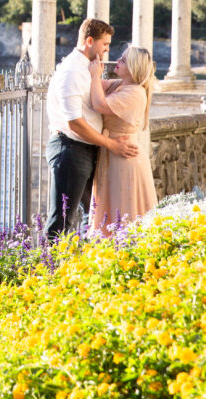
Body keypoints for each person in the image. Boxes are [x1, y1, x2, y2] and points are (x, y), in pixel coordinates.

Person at [45, 18, 139, 238]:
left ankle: (85, 268)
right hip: (70, 149)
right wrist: (111, 145)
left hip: (85, 149)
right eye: (104, 45)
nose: (107, 50)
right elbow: (74, 122)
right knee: (62, 218)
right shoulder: (72, 71)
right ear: (89, 41)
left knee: (93, 216)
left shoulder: (87, 68)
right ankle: (48, 269)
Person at [88, 45, 158, 233]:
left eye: (124, 60)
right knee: (112, 209)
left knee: (123, 209)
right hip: (112, 153)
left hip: (123, 158)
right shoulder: (121, 85)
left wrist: (95, 75)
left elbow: (99, 105)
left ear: (134, 68)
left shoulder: (134, 92)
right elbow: (92, 86)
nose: (117, 60)